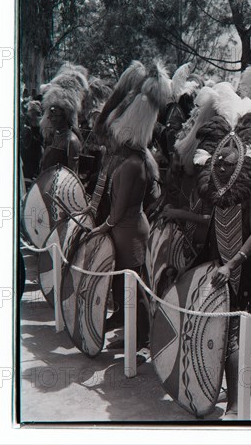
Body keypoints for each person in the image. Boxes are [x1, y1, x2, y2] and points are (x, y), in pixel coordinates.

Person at [188, 82, 251, 419]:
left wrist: (232, 264)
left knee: (235, 335)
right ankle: (213, 387)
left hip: (241, 269)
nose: (221, 166)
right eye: (218, 161)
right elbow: (208, 221)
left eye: (228, 162)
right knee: (214, 329)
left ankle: (238, 404)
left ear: (242, 160)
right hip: (214, 265)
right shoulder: (213, 188)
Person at [89, 61, 170, 348]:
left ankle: (141, 337)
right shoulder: (138, 161)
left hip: (128, 229)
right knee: (130, 283)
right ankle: (133, 329)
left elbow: (119, 209)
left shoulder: (133, 165)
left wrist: (102, 227)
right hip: (130, 228)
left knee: (134, 286)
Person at [39, 63, 89, 174]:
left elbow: (72, 176)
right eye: (51, 114)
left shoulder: (71, 141)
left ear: (66, 115)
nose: (52, 118)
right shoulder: (53, 136)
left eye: (56, 114)